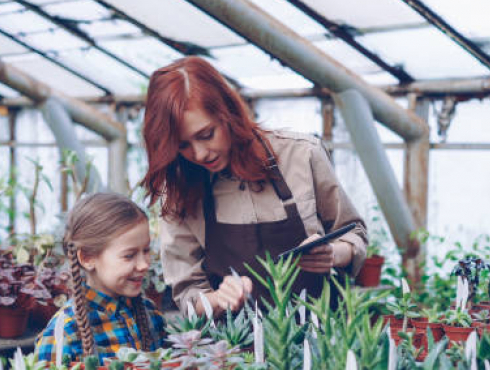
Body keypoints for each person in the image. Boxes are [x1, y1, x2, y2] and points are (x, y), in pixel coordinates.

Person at [141, 56, 368, 316]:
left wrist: (334, 253)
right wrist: (216, 299)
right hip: (235, 351)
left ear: (228, 113)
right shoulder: (181, 190)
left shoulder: (301, 155)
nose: (200, 153)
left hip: (320, 340)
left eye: (206, 135)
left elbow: (354, 233)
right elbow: (186, 293)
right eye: (183, 145)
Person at [35, 193, 167, 364]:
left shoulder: (151, 315)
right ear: (88, 258)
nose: (143, 265)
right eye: (129, 255)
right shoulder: (65, 332)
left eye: (146, 250)